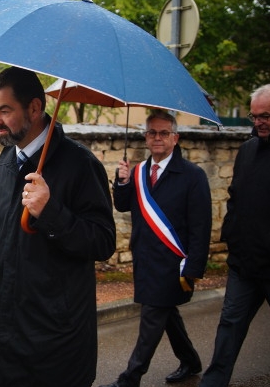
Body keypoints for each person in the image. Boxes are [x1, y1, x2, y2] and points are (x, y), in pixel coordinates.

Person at [0, 67, 116, 387]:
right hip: (11, 332)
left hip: (60, 335)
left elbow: (102, 241)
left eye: (4, 110)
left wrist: (51, 211)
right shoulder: (5, 164)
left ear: (35, 108)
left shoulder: (80, 164)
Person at [100, 110, 212, 387]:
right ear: (146, 137)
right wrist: (122, 181)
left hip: (173, 263)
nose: (157, 138)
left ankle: (130, 378)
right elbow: (122, 206)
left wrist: (195, 267)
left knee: (152, 316)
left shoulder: (193, 176)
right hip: (145, 258)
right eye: (152, 133)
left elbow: (201, 226)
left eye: (164, 133)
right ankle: (190, 361)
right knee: (165, 312)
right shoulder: (138, 172)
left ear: (175, 138)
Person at [199, 84, 270, 387]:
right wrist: (233, 237)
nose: (259, 122)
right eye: (255, 116)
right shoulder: (248, 150)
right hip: (244, 263)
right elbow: (235, 197)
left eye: (265, 116)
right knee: (229, 325)